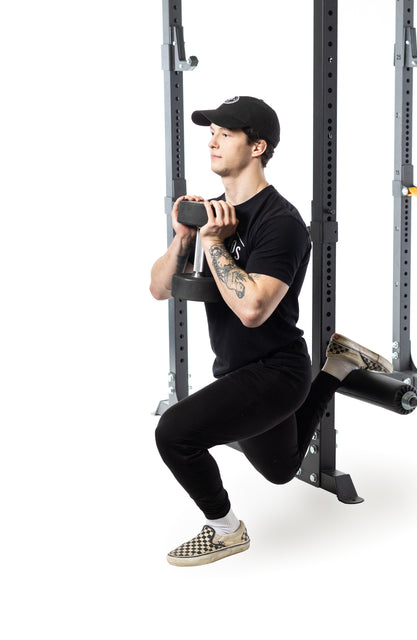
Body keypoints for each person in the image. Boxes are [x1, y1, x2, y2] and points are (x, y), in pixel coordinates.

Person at [150, 96, 392, 567]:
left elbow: (253, 309)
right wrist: (183, 236)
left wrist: (215, 244)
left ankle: (226, 530)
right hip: (237, 369)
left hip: (277, 371)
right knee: (281, 470)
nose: (213, 140)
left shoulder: (281, 223)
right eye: (211, 131)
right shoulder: (210, 214)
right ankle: (338, 364)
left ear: (258, 146)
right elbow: (159, 289)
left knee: (174, 433)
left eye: (227, 133)